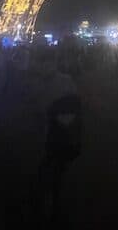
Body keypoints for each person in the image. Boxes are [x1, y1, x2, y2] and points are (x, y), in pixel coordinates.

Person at [36, 47, 82, 222]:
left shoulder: (41, 83)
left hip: (54, 133)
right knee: (54, 169)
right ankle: (53, 203)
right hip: (60, 133)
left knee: (49, 168)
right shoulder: (64, 81)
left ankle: (49, 203)